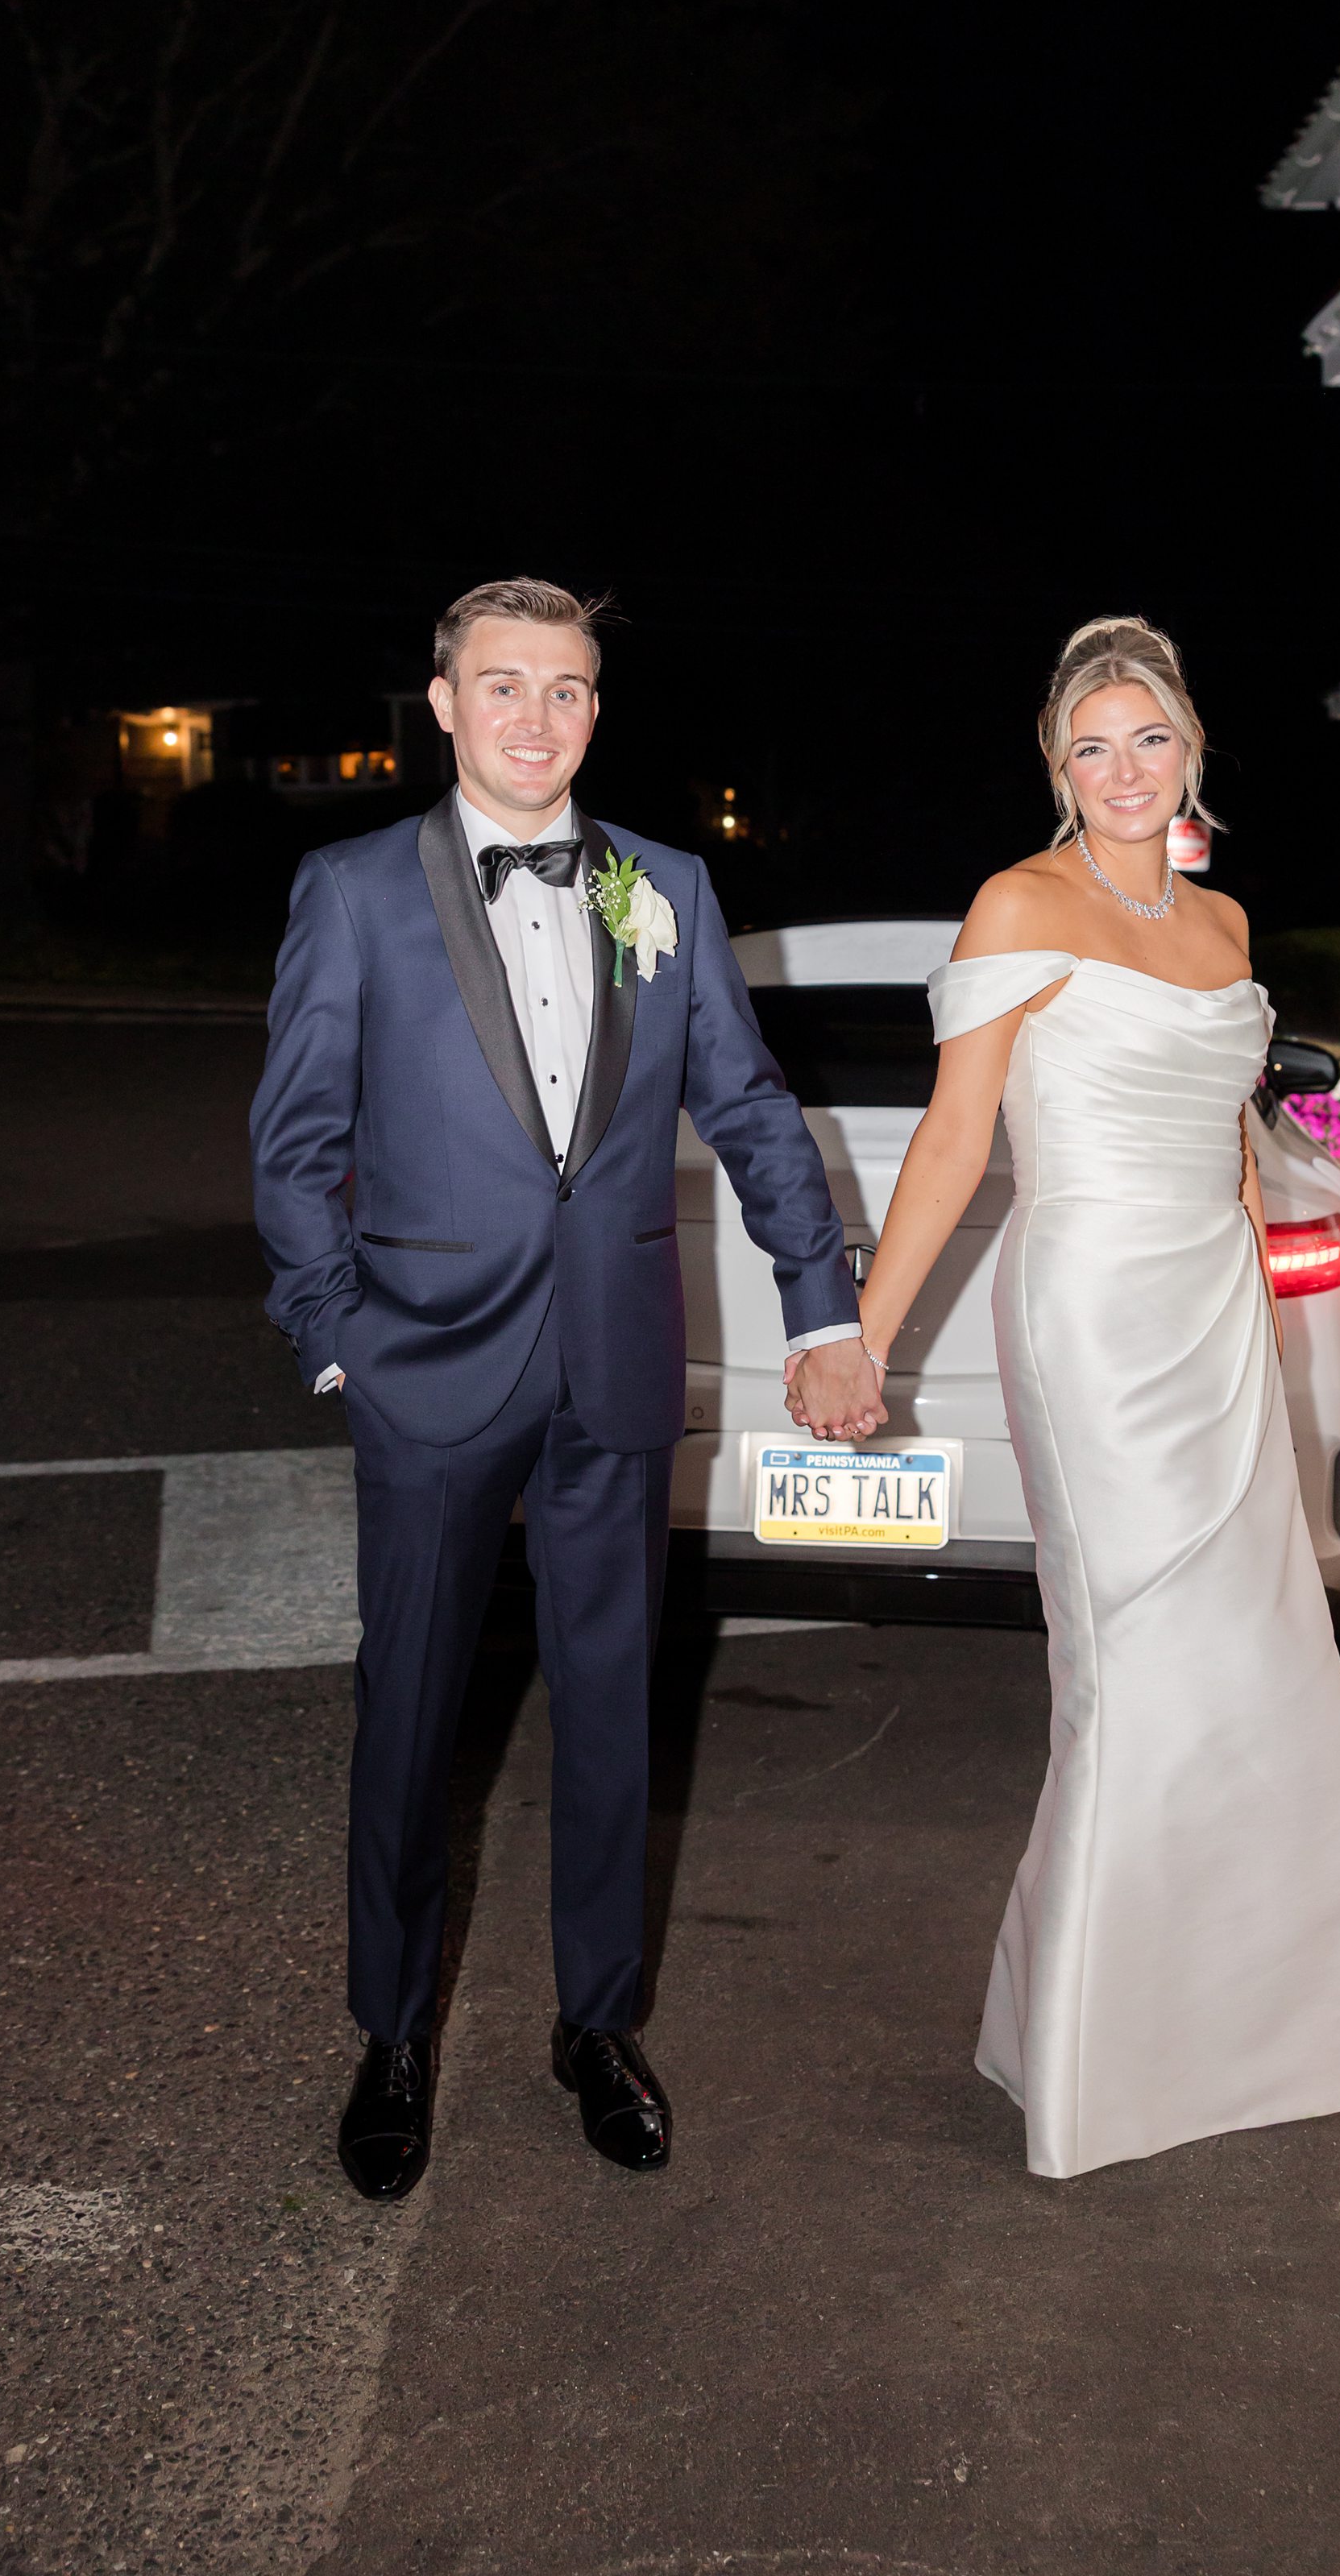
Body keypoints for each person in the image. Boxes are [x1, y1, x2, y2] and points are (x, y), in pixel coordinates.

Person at [250, 578, 885, 2201]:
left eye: (570, 688)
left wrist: (823, 1313)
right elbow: (296, 1146)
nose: (537, 716)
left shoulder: (663, 887)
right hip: (424, 1368)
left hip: (613, 1360)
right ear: (447, 705)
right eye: (505, 685)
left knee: (614, 1713)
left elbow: (748, 1104)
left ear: (599, 710)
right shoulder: (354, 892)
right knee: (408, 1723)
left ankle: (596, 2027)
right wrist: (341, 1340)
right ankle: (390, 2033)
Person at [854, 616, 1340, 2180]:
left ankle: (1231, 2044)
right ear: (1058, 769)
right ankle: (1092, 2069)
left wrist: (1256, 1328)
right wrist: (863, 1336)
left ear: (1190, 753)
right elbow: (957, 1141)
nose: (1125, 768)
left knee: (1262, 1675)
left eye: (1149, 738)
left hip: (1210, 1317)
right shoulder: (1023, 900)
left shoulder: (1224, 928)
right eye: (1094, 744)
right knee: (1135, 1674)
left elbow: (1224, 1143)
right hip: (1088, 1311)